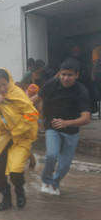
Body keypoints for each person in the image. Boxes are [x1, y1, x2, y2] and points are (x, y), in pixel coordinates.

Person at [0, 69, 38, 211]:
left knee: (16, 171)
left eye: (4, 84)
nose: (1, 89)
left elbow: (31, 115)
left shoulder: (18, 94)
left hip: (21, 138)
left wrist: (17, 130)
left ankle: (19, 191)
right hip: (3, 139)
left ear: (9, 81)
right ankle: (6, 197)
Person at [39, 58, 91, 195]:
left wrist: (67, 123)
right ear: (59, 74)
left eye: (70, 75)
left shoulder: (81, 91)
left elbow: (86, 118)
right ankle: (46, 180)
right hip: (52, 127)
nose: (66, 78)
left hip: (71, 132)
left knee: (65, 165)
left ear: (77, 75)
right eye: (63, 74)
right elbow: (38, 99)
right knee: (51, 155)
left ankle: (55, 183)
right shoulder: (52, 84)